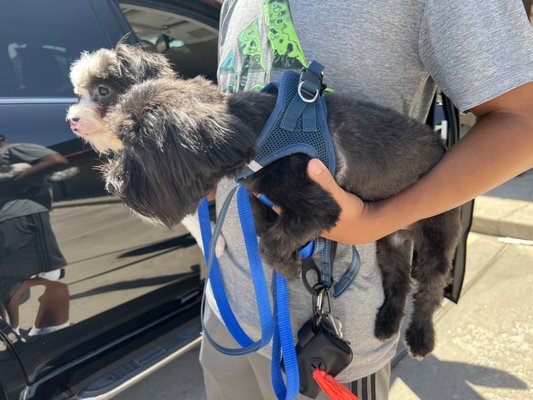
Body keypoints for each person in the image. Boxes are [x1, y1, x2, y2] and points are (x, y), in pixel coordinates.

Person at [199, 1, 533, 399]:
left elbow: (522, 122)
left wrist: (379, 219)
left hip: (328, 347)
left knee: (428, 263)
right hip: (227, 308)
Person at [0, 134, 71, 337]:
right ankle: (47, 330)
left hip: (19, 217)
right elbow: (57, 160)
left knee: (40, 272)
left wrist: (18, 180)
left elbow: (56, 161)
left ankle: (43, 330)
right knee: (47, 273)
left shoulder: (12, 151)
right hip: (19, 218)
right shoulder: (9, 153)